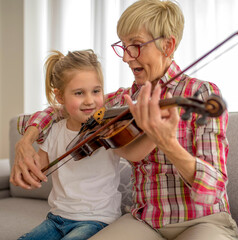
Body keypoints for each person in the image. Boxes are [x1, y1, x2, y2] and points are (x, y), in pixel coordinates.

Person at [10, 0, 238, 239]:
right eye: (124, 46)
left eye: (136, 46)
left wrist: (168, 144)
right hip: (145, 221)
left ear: (168, 45)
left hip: (203, 221)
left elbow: (214, 189)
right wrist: (26, 140)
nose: (126, 58)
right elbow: (61, 110)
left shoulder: (201, 93)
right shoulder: (124, 100)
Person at [15, 49, 154, 240]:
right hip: (57, 218)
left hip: (97, 219)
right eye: (79, 93)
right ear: (60, 97)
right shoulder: (54, 130)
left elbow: (134, 154)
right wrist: (28, 172)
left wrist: (155, 133)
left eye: (96, 91)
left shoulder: (108, 130)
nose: (90, 100)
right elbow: (39, 165)